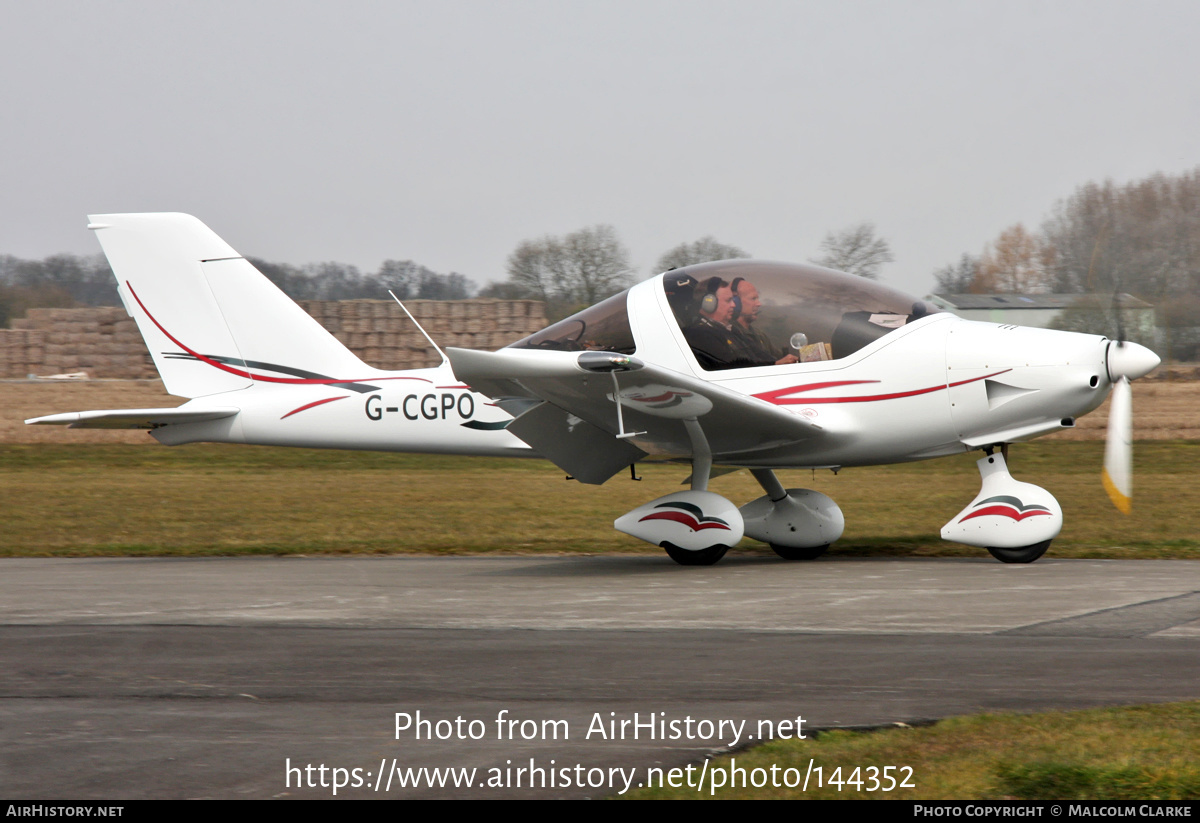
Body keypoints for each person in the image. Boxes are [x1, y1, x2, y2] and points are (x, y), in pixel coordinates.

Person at [730, 278, 798, 365]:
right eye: (753, 298)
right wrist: (776, 365)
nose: (759, 304)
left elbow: (780, 357)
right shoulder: (730, 335)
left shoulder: (759, 335)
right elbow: (744, 369)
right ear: (736, 302)